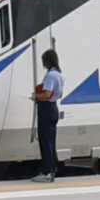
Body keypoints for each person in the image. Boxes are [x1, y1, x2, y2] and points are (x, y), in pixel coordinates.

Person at [31, 47, 65, 181]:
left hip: (46, 109)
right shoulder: (60, 75)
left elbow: (47, 94)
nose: (43, 64)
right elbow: (59, 94)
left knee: (45, 142)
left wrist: (36, 96)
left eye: (43, 61)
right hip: (53, 108)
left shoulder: (50, 75)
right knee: (51, 141)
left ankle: (47, 172)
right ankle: (52, 170)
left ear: (47, 61)